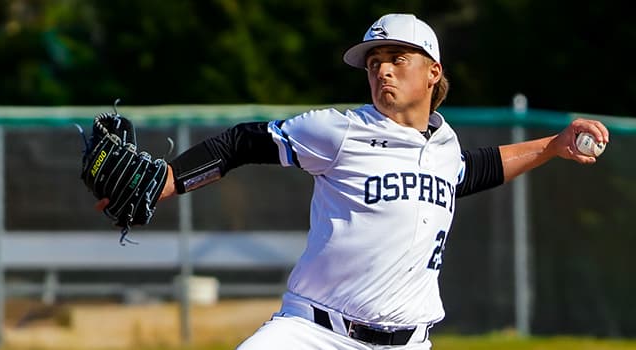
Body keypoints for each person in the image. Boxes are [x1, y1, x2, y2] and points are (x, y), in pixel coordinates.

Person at [95, 13, 609, 349]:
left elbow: (475, 169)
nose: (382, 71)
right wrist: (166, 179)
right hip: (312, 333)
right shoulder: (340, 130)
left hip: (410, 342)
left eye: (396, 60)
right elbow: (242, 143)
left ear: (433, 72)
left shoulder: (444, 146)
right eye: (374, 63)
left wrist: (553, 146)